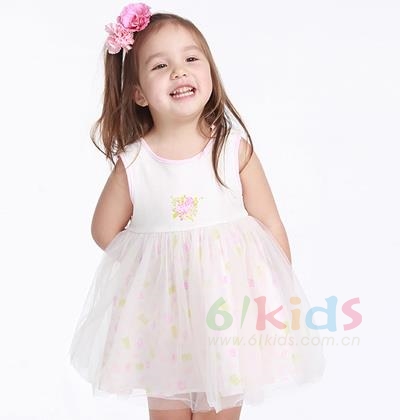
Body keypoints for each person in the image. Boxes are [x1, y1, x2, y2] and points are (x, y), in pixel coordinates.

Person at [69, 3, 325, 420]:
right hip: (163, 323)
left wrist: (277, 298)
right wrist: (152, 262)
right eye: (160, 66)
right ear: (138, 92)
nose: (179, 72)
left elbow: (269, 223)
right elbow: (103, 230)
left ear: (210, 71)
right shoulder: (135, 163)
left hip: (228, 319)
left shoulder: (231, 150)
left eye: (191, 59)